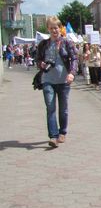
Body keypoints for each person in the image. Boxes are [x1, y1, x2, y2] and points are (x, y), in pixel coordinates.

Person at [36, 16, 78, 148]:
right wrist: (41, 64)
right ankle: (53, 136)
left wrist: (72, 73)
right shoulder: (43, 44)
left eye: (56, 27)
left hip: (64, 81)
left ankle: (62, 132)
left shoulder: (67, 43)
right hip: (48, 80)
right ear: (48, 29)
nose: (54, 30)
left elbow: (75, 58)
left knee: (63, 109)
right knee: (50, 107)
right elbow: (37, 59)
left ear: (60, 28)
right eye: (52, 28)